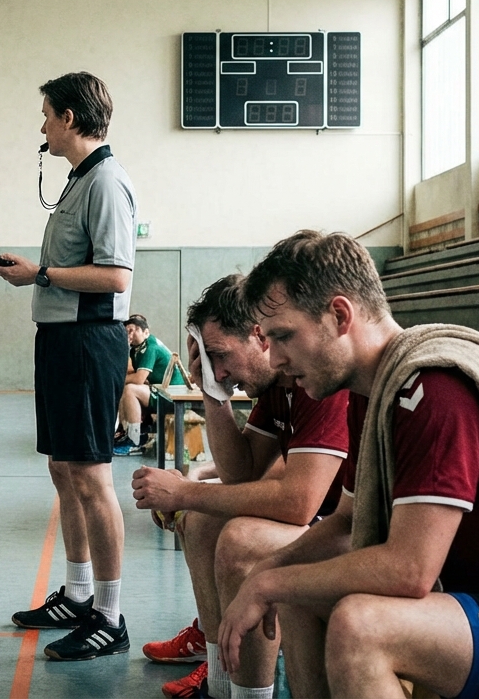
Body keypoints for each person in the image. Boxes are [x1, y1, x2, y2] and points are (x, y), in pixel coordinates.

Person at [214, 230, 479, 699]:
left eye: (284, 337)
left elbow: (408, 570)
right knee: (303, 594)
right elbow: (346, 522)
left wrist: (269, 582)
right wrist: (269, 573)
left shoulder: (434, 391)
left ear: (340, 315)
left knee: (362, 628)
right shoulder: (372, 393)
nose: (276, 358)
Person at [131, 274, 350, 699]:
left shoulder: (315, 380)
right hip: (328, 522)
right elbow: (242, 474)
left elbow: (298, 503)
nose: (218, 369)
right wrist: (214, 395)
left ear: (258, 336)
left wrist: (183, 491)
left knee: (240, 538)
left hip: (352, 531)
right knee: (199, 523)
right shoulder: (275, 387)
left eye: (219, 355)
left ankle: (252, 695)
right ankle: (219, 683)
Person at [0, 72, 136, 661]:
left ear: (71, 119)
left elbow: (116, 277)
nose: (44, 126)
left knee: (92, 477)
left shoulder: (106, 182)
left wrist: (39, 274)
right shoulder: (79, 180)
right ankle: (79, 594)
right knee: (64, 469)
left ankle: (110, 613)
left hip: (87, 343)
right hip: (58, 342)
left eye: (48, 115)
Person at [115, 313, 183, 455]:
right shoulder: (136, 349)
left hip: (173, 396)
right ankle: (127, 432)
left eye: (133, 330)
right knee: (126, 387)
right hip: (161, 390)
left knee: (130, 389)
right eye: (127, 331)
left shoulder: (150, 347)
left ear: (146, 332)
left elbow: (139, 378)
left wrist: (115, 378)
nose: (130, 334)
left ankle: (135, 441)